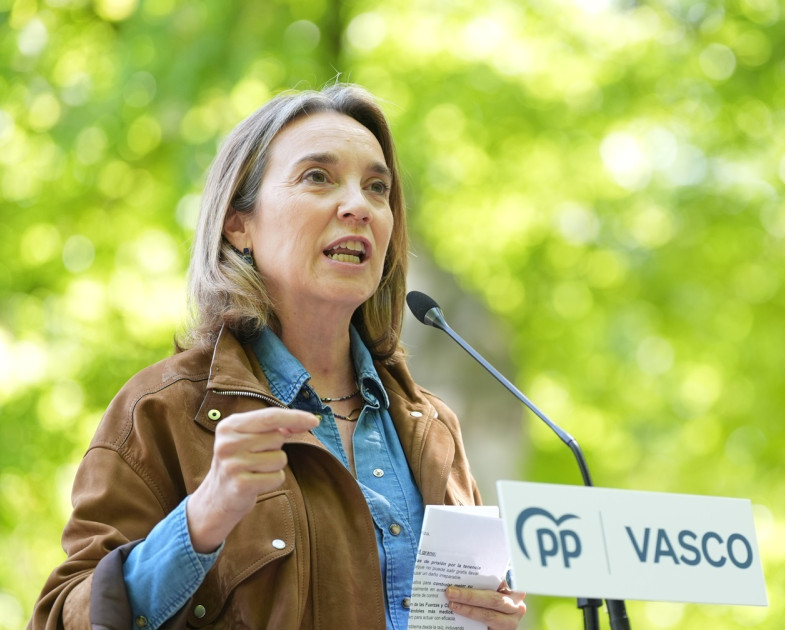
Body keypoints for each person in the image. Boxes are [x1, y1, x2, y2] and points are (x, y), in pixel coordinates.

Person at [27, 83, 527, 630]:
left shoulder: (432, 427)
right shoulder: (161, 412)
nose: (359, 206)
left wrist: (492, 618)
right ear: (238, 222)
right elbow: (61, 617)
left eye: (378, 188)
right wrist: (202, 519)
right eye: (318, 176)